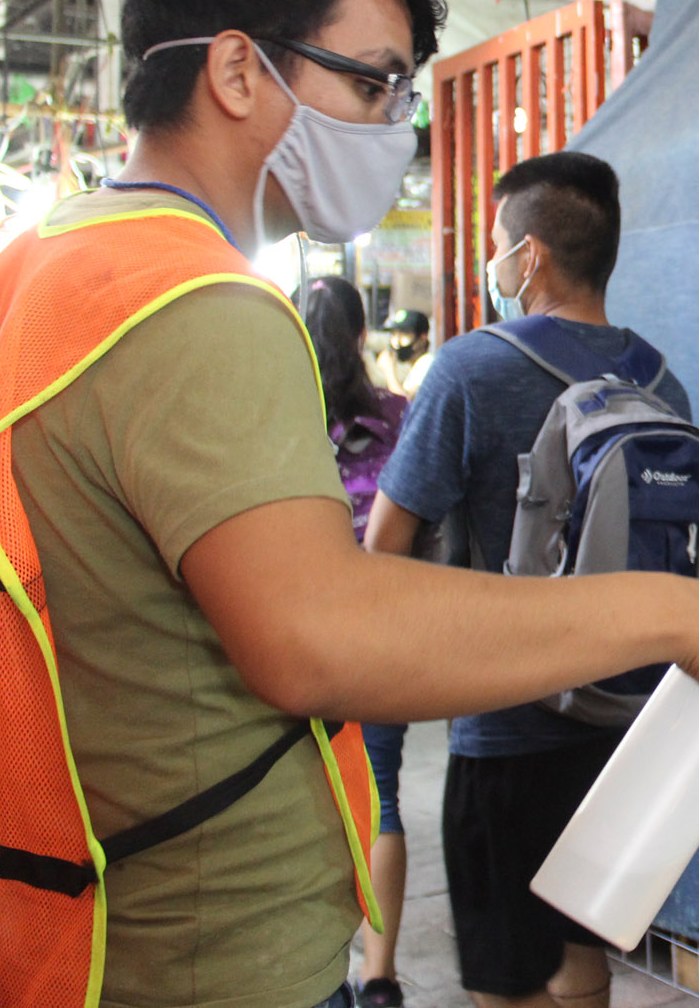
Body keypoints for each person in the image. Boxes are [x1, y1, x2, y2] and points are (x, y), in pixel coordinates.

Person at [0, 0, 699, 1008]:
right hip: (196, 953)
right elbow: (321, 631)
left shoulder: (37, 264)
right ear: (238, 72)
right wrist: (683, 610)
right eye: (371, 80)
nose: (395, 120)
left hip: (48, 902)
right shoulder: (199, 302)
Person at [364, 151, 686, 1008]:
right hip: (621, 725)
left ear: (531, 256)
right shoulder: (662, 385)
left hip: (504, 729)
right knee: (584, 961)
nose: (493, 263)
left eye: (498, 244)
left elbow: (386, 542)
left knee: (505, 982)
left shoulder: (472, 369)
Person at [303, 275, 413, 1008]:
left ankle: (319, 969)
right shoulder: (399, 414)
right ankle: (380, 976)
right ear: (359, 335)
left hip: (295, 631)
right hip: (384, 631)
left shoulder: (279, 413)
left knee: (304, 795)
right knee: (383, 799)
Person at [376, 308, 432, 397]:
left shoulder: (427, 362)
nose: (397, 343)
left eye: (404, 335)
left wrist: (389, 371)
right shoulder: (415, 366)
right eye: (394, 335)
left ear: (422, 338)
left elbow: (406, 402)